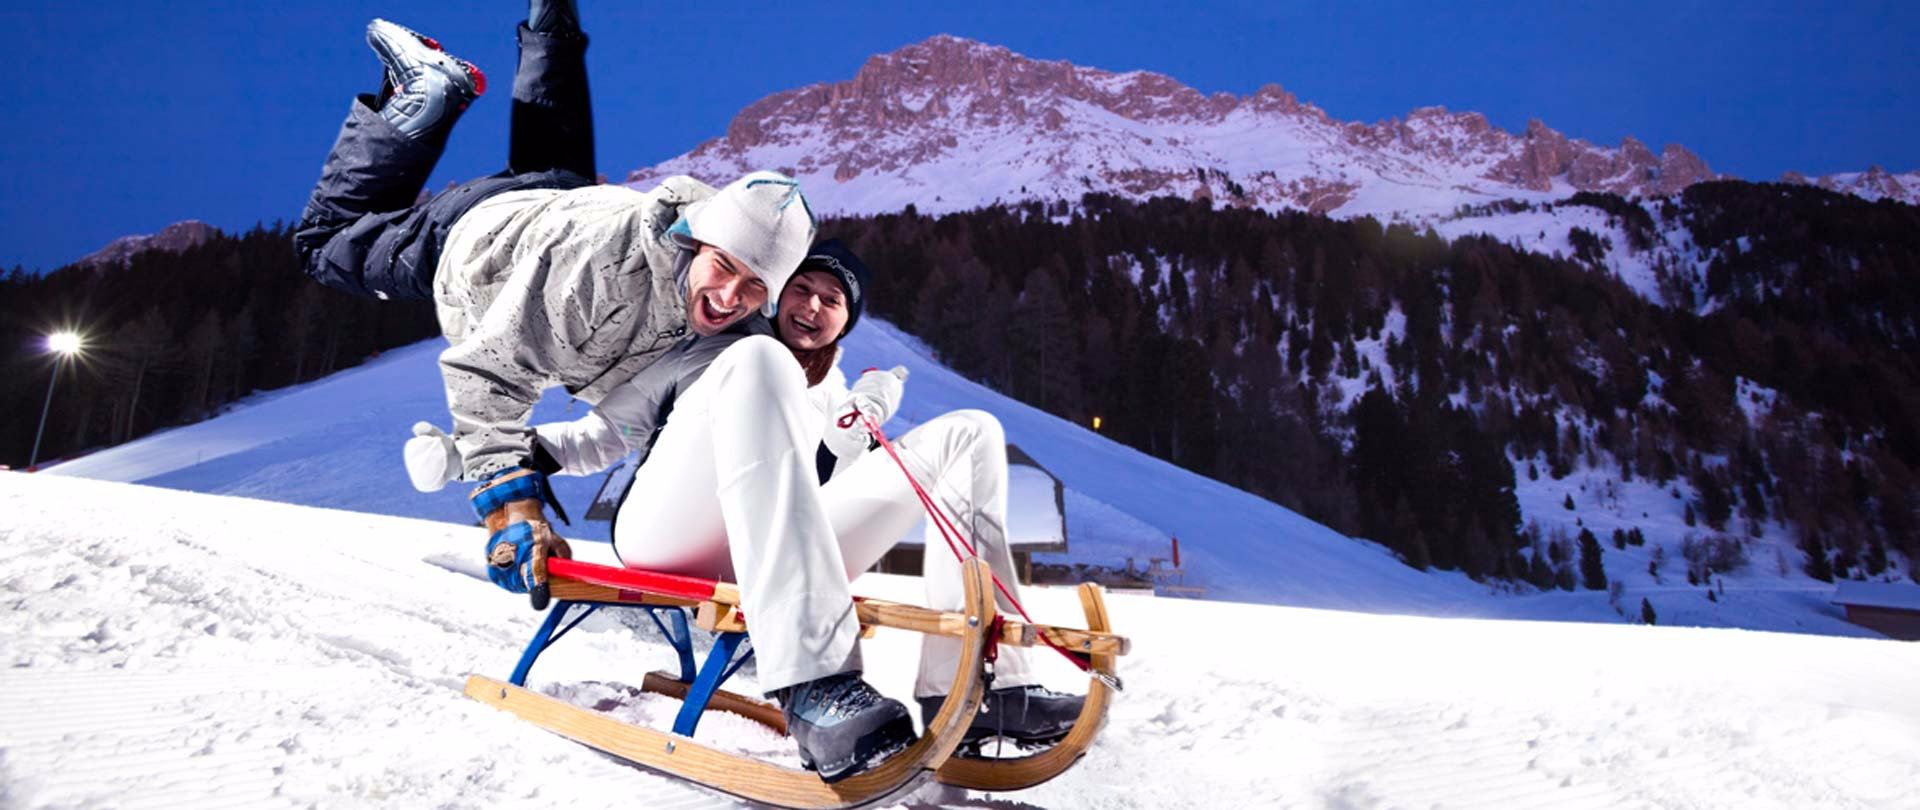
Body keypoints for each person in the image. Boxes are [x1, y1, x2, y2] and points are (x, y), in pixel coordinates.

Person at [500, 239, 1083, 780]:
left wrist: (848, 440)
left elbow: (817, 493)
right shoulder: (719, 351)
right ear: (778, 293)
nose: (812, 306)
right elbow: (600, 437)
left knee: (971, 432)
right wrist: (488, 455)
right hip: (668, 535)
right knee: (760, 357)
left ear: (846, 321)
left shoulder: (839, 395)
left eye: (832, 300)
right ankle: (814, 684)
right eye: (802, 289)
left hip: (770, 553)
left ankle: (986, 690)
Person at [291, 3, 814, 605]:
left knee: (551, 166)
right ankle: (421, 94)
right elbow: (488, 372)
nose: (729, 297)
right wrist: (512, 508)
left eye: (753, 286)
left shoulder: (733, 328)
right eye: (723, 267)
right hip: (478, 236)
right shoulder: (601, 272)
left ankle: (551, 29)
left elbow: (647, 425)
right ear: (692, 240)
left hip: (565, 198)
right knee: (324, 245)